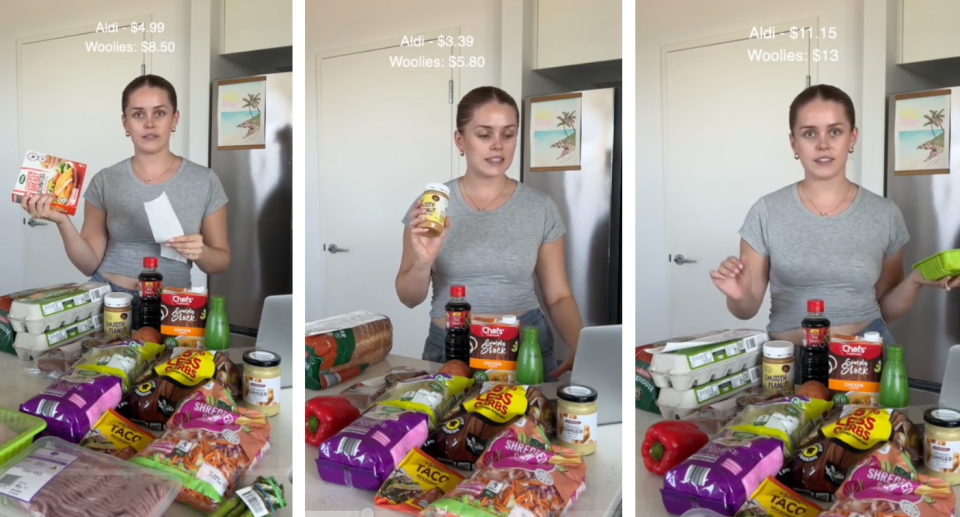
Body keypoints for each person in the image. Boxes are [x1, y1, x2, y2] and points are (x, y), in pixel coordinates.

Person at [710, 84, 960, 346]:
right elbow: (745, 309)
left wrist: (916, 280)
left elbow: (885, 309)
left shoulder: (885, 214)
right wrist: (738, 295)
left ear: (852, 138)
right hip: (788, 364)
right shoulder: (766, 212)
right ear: (793, 142)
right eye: (809, 133)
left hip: (865, 361)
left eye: (835, 132)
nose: (823, 144)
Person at [396, 86, 584, 379]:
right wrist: (423, 263)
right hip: (451, 350)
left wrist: (581, 344)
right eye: (484, 135)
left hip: (524, 351)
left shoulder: (540, 207)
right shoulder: (432, 207)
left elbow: (558, 296)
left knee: (531, 426)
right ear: (460, 140)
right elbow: (408, 297)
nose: (498, 145)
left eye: (508, 135)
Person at [21, 74, 231, 308]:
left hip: (172, 305)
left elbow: (221, 262)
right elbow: (88, 263)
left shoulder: (204, 180)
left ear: (175, 119)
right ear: (125, 123)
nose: (149, 123)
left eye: (159, 113)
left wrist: (200, 251)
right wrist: (63, 222)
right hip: (108, 299)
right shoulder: (105, 180)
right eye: (138, 114)